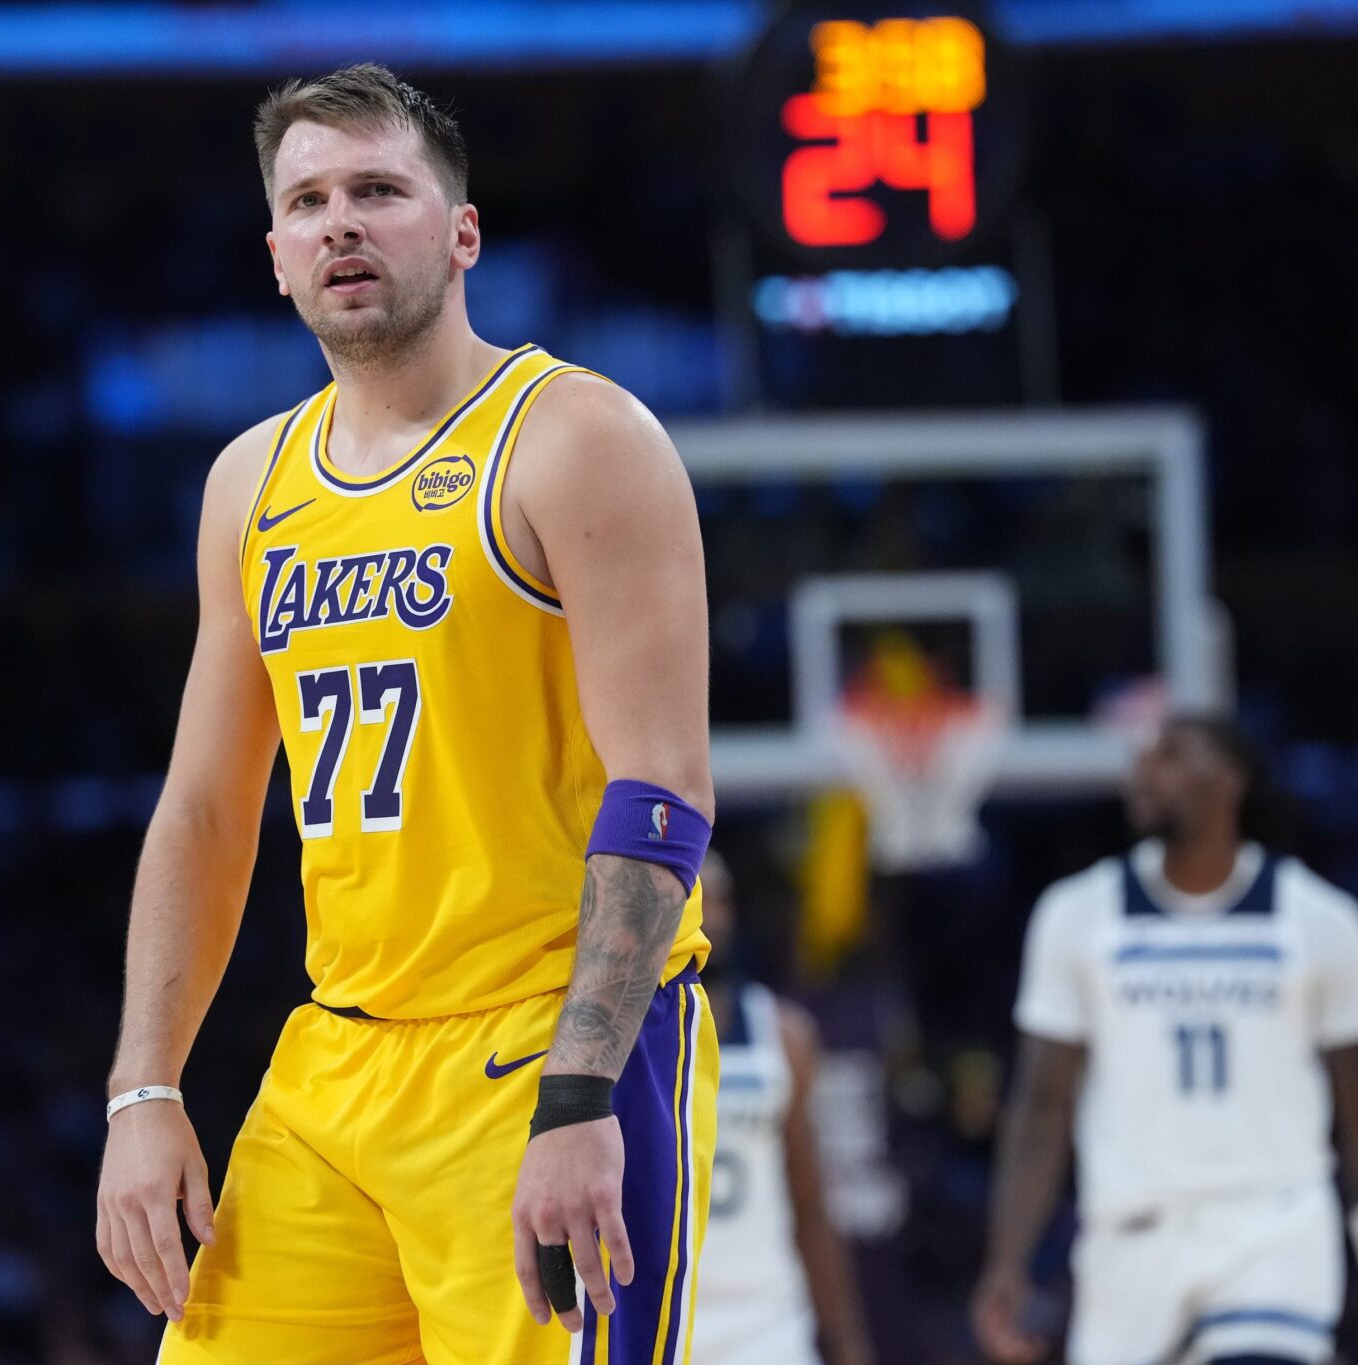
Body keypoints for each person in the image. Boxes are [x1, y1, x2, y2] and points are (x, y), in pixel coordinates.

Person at [93, 62, 719, 1364]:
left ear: (462, 232)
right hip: (337, 1062)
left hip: (542, 1044)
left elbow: (662, 792)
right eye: (308, 201)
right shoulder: (250, 481)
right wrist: (143, 1089)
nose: (341, 223)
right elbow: (204, 809)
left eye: (378, 191)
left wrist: (581, 1091)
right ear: (276, 257)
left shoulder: (574, 437)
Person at [972, 716, 1358, 1365]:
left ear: (1230, 780)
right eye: (1143, 757)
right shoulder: (1076, 915)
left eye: (1172, 755)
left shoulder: (1322, 922)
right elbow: (1043, 1105)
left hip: (1272, 1228)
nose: (1145, 770)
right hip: (1130, 1237)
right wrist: (1007, 1259)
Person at [692, 850, 872, 1365]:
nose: (711, 914)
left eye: (721, 899)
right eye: (695, 896)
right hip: (659, 1321)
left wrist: (847, 1341)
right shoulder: (612, 1040)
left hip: (764, 1322)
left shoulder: (782, 1032)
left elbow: (809, 1198)